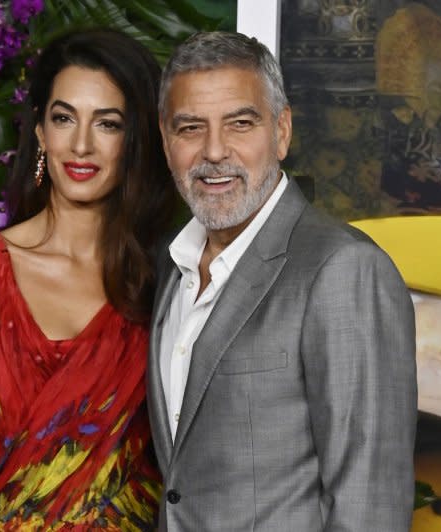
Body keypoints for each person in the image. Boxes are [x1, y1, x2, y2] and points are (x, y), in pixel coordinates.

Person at [144, 31, 417, 530]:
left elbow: (368, 503)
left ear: (282, 131)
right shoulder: (171, 266)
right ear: (166, 142)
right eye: (190, 128)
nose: (215, 151)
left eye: (240, 124)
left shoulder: (343, 269)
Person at [0, 28, 174, 531]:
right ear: (39, 132)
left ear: (136, 139)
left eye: (108, 124)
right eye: (63, 118)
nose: (81, 144)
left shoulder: (169, 281)